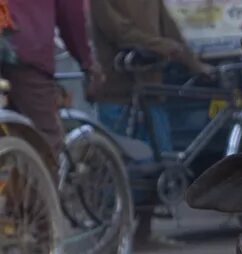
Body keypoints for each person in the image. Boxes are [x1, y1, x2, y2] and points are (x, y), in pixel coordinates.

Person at [89, 0, 214, 157]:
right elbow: (119, 31)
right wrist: (162, 46)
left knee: (164, 163)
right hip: (116, 91)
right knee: (118, 163)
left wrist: (193, 63)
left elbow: (169, 28)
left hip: (151, 89)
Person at [4, 0, 99, 154]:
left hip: (17, 47)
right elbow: (71, 15)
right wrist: (86, 62)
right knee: (44, 140)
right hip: (24, 51)